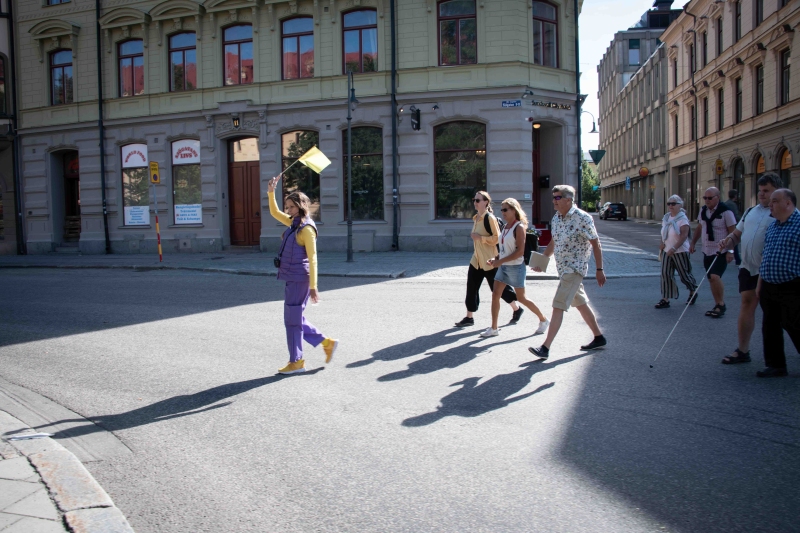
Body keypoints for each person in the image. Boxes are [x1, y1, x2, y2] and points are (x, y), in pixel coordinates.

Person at [268, 176, 338, 375]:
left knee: (292, 320)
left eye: (290, 207)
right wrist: (271, 191)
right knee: (294, 318)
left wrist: (314, 286)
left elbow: (313, 259)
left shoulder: (306, 229)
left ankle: (298, 361)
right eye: (287, 207)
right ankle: (324, 344)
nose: (287, 210)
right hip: (292, 278)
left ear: (299, 207)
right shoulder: (293, 223)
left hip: (300, 279)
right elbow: (274, 212)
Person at [528, 185, 607, 360]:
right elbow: (553, 242)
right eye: (553, 197)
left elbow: (596, 243)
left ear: (568, 200)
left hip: (575, 269)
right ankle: (599, 337)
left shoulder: (582, 218)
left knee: (558, 305)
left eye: (557, 198)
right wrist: (542, 261)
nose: (554, 201)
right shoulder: (557, 218)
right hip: (563, 269)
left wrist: (600, 269)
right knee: (580, 303)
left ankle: (545, 347)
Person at [716, 174, 781, 364]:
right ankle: (743, 350)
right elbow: (736, 234)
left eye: (766, 191)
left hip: (769, 270)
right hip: (748, 267)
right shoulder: (750, 211)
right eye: (760, 191)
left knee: (776, 314)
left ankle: (776, 358)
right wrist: (727, 243)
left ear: (776, 190)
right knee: (746, 304)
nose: (761, 194)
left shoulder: (780, 212)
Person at [454, 191, 525, 328]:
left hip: (490, 261)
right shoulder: (476, 218)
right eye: (474, 200)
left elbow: (497, 238)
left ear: (486, 202)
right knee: (471, 288)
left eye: (478, 200)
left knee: (498, 289)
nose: (475, 202)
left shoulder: (489, 218)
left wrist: (480, 238)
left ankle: (517, 309)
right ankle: (469, 317)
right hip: (476, 260)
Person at [480, 198, 549, 338]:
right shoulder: (505, 227)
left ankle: (543, 319)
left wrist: (500, 262)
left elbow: (519, 252)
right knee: (495, 295)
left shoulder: (519, 227)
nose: (502, 212)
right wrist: (496, 259)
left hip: (516, 267)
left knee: (522, 298)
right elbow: (505, 249)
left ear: (514, 210)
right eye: (501, 209)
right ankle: (494, 328)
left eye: (505, 209)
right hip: (504, 266)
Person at [754, 188, 800, 378]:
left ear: (787, 203)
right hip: (769, 285)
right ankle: (775, 365)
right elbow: (767, 256)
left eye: (774, 201)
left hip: (792, 285)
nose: (769, 205)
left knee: (795, 324)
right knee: (770, 325)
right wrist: (760, 283)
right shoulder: (773, 226)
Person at [689, 187, 736, 318]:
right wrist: (693, 242)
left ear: (717, 197)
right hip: (707, 250)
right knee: (711, 279)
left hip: (720, 250)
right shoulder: (703, 211)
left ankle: (721, 304)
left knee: (715, 276)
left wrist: (731, 251)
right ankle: (717, 304)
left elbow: (733, 232)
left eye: (710, 198)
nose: (707, 200)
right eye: (705, 198)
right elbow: (700, 227)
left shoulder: (726, 212)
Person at [655, 195, 698, 309]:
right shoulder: (666, 218)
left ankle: (693, 291)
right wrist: (662, 243)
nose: (670, 206)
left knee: (684, 274)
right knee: (665, 274)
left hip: (680, 251)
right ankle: (665, 298)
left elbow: (684, 236)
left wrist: (674, 248)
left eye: (673, 204)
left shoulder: (682, 219)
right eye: (669, 203)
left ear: (680, 205)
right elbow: (664, 232)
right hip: (666, 250)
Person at [723, 189, 742, 265]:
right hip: (732, 225)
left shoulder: (727, 203)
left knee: (730, 240)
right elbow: (735, 216)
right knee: (734, 240)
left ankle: (737, 259)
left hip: (727, 225)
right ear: (735, 196)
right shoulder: (732, 204)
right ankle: (737, 260)